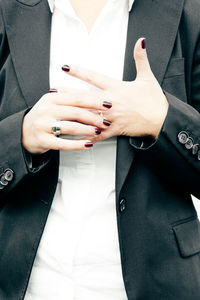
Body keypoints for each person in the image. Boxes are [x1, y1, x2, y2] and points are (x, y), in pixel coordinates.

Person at [0, 0, 200, 299]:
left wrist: (163, 120)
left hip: (157, 280)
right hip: (25, 280)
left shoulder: (189, 9)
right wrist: (21, 136)